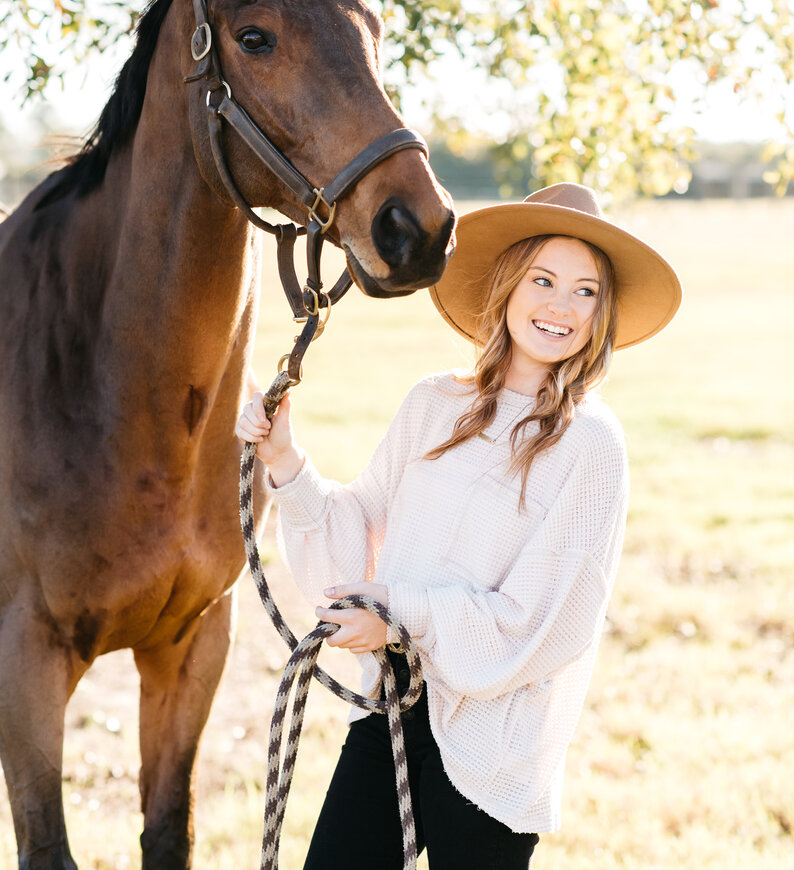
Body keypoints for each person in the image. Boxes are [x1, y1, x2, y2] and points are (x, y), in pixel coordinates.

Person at [236, 182, 681, 870]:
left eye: (586, 291)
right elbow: (357, 535)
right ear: (507, 285)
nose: (561, 306)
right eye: (544, 279)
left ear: (602, 313)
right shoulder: (433, 403)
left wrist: (400, 619)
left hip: (494, 747)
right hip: (392, 711)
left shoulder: (591, 447)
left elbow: (541, 623)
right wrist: (287, 461)